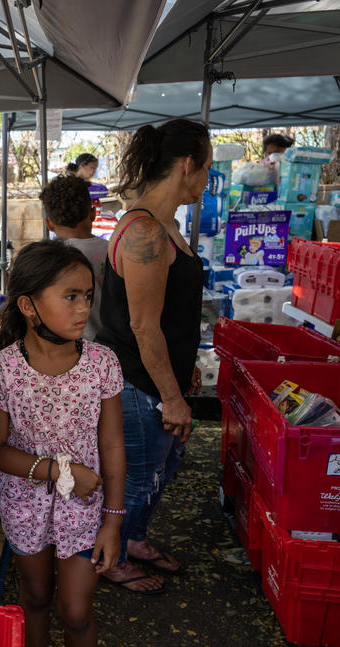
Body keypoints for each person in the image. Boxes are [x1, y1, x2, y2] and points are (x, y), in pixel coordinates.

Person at [0, 240, 125, 647]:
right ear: (28, 306)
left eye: (87, 296)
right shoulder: (4, 368)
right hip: (24, 506)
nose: (83, 308)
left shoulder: (102, 363)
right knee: (36, 597)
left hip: (85, 507)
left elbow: (113, 445)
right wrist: (61, 470)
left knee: (77, 612)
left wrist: (114, 522)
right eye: (70, 297)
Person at [95, 119, 210, 594]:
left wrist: (186, 370)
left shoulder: (164, 226)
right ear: (188, 165)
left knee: (159, 474)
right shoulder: (143, 232)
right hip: (139, 387)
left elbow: (170, 317)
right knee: (135, 481)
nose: (206, 180)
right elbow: (143, 327)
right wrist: (172, 396)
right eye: (205, 168)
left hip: (159, 384)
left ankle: (135, 541)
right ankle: (115, 558)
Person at [39, 175, 109, 340]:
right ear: (93, 214)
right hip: (111, 349)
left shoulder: (44, 260)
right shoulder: (115, 251)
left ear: (48, 224)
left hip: (65, 351)